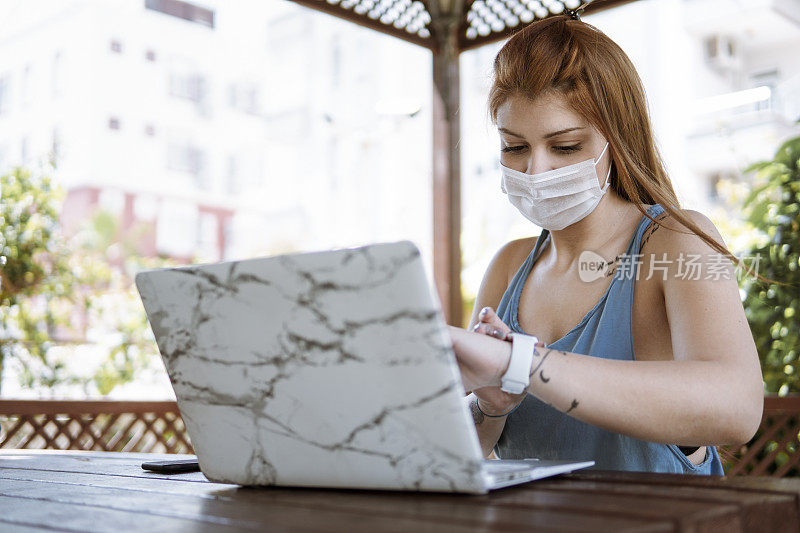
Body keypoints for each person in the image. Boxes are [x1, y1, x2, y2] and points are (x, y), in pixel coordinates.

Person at [447, 13, 764, 475]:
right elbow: (472, 451)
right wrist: (491, 408)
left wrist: (523, 363)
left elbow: (736, 408)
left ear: (615, 139)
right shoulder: (508, 264)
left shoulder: (679, 244)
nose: (536, 172)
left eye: (567, 146)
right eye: (515, 147)